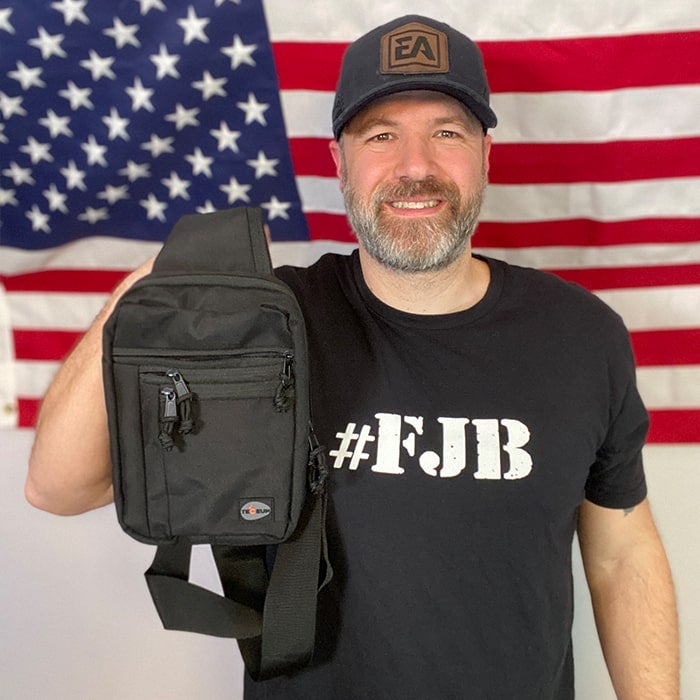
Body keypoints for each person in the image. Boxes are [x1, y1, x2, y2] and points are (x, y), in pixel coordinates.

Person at [26, 14, 679, 700]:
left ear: (487, 155)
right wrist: (146, 293)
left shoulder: (581, 335)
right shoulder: (259, 325)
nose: (416, 167)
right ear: (339, 163)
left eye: (447, 133)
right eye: (380, 135)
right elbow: (58, 489)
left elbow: (621, 553)